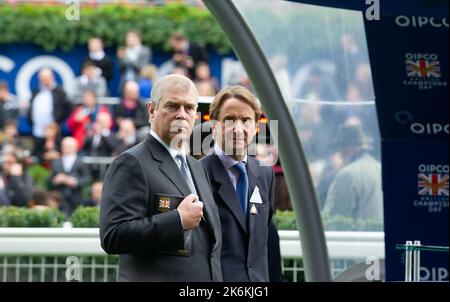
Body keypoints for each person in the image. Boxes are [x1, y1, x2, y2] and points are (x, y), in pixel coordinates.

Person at [100, 74, 222, 282]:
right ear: (151, 110)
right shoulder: (131, 162)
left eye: (189, 108)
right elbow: (113, 235)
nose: (182, 115)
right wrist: (177, 220)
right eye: (172, 106)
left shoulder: (197, 166)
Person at [200, 86, 276, 282]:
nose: (238, 128)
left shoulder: (265, 174)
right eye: (230, 120)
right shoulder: (197, 174)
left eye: (245, 120)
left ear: (256, 127)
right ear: (214, 126)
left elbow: (264, 240)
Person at [322, 123, 383, 221]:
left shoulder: (347, 175)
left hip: (358, 236)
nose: (339, 154)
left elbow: (332, 220)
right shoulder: (379, 168)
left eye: (339, 148)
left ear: (346, 148)